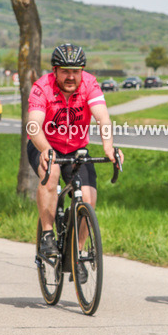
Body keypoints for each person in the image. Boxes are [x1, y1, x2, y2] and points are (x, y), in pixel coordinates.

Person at [27, 43, 120, 283]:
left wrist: (108, 146)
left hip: (76, 147)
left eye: (76, 71)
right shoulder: (41, 87)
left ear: (82, 71)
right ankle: (48, 234)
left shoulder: (90, 84)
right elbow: (34, 125)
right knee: (52, 173)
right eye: (65, 71)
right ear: (55, 71)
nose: (71, 76)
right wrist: (46, 149)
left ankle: (76, 253)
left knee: (88, 197)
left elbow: (102, 117)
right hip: (44, 144)